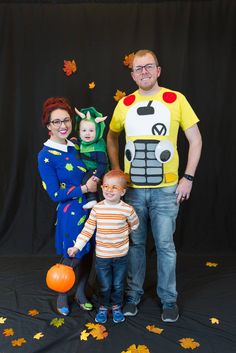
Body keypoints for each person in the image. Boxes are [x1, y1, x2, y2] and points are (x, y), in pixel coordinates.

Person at [107, 49, 202, 322]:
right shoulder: (124, 104)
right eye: (138, 69)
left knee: (165, 245)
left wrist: (189, 177)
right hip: (133, 190)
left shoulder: (176, 100)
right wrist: (116, 170)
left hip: (167, 190)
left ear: (158, 70)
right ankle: (133, 295)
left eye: (149, 67)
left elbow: (195, 139)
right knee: (135, 244)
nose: (144, 72)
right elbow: (111, 137)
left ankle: (168, 299)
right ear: (132, 74)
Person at [38, 97, 97, 316]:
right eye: (56, 122)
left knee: (88, 254)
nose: (63, 125)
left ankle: (81, 293)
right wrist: (83, 189)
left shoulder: (76, 146)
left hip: (91, 209)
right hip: (70, 213)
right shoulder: (45, 156)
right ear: (48, 126)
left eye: (66, 120)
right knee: (73, 253)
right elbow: (54, 194)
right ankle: (62, 294)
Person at [67, 170, 139, 324]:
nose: (108, 190)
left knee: (118, 284)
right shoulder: (97, 209)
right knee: (105, 285)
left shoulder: (127, 209)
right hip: (102, 257)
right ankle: (103, 307)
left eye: (114, 187)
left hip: (120, 256)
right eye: (106, 186)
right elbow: (87, 230)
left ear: (123, 192)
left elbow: (135, 224)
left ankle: (116, 306)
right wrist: (77, 247)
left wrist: (126, 231)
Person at [72, 106, 109, 209]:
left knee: (85, 180)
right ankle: (76, 194)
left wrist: (97, 175)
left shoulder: (98, 147)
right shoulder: (83, 142)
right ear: (79, 131)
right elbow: (79, 143)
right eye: (84, 130)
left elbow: (103, 163)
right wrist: (74, 141)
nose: (87, 133)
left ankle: (92, 199)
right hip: (86, 168)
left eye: (91, 131)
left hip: (97, 170)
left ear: (97, 132)